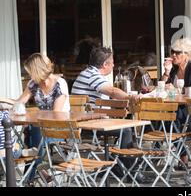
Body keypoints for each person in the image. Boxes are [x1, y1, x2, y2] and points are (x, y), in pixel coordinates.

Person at [14, 53, 70, 182]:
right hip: (40, 127)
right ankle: (37, 171)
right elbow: (20, 102)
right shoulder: (34, 83)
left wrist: (33, 116)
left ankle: (30, 177)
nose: (29, 75)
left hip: (60, 128)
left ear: (37, 70)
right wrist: (7, 102)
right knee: (31, 131)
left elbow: (56, 113)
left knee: (34, 133)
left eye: (30, 72)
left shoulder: (59, 84)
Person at [72, 46, 140, 149]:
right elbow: (112, 91)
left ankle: (124, 159)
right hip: (88, 123)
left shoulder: (86, 73)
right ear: (105, 64)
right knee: (126, 130)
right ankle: (125, 163)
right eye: (112, 62)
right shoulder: (93, 75)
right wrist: (130, 97)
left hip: (84, 120)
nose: (113, 65)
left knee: (126, 128)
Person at [160, 38, 191, 169]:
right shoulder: (173, 69)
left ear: (186, 55)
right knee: (166, 118)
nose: (173, 55)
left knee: (172, 118)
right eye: (172, 52)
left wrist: (179, 90)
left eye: (177, 53)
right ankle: (181, 154)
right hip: (175, 107)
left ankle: (181, 156)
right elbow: (162, 86)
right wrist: (166, 72)